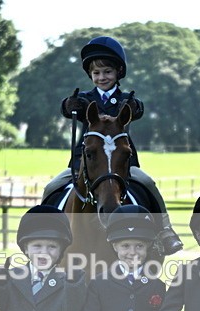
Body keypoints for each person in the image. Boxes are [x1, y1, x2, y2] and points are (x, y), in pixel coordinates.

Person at [43, 35, 183, 256]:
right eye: (96, 73)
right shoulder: (85, 98)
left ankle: (166, 231)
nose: (102, 77)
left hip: (120, 162)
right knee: (51, 186)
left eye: (107, 72)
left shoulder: (126, 99)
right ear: (90, 75)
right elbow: (65, 108)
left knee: (147, 182)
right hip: (86, 162)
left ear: (118, 72)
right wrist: (69, 105)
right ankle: (44, 232)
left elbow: (137, 109)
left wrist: (134, 107)